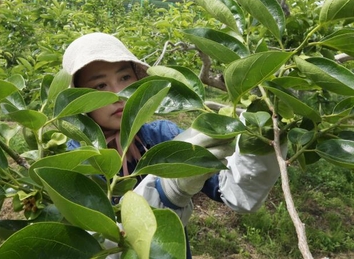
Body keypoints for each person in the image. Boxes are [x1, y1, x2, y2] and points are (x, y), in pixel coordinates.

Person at [62, 32, 284, 258]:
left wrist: (260, 139)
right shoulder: (77, 161)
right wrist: (168, 190)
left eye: (125, 78)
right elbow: (98, 244)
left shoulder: (161, 135)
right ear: (80, 101)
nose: (118, 94)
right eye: (100, 86)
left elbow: (234, 193)